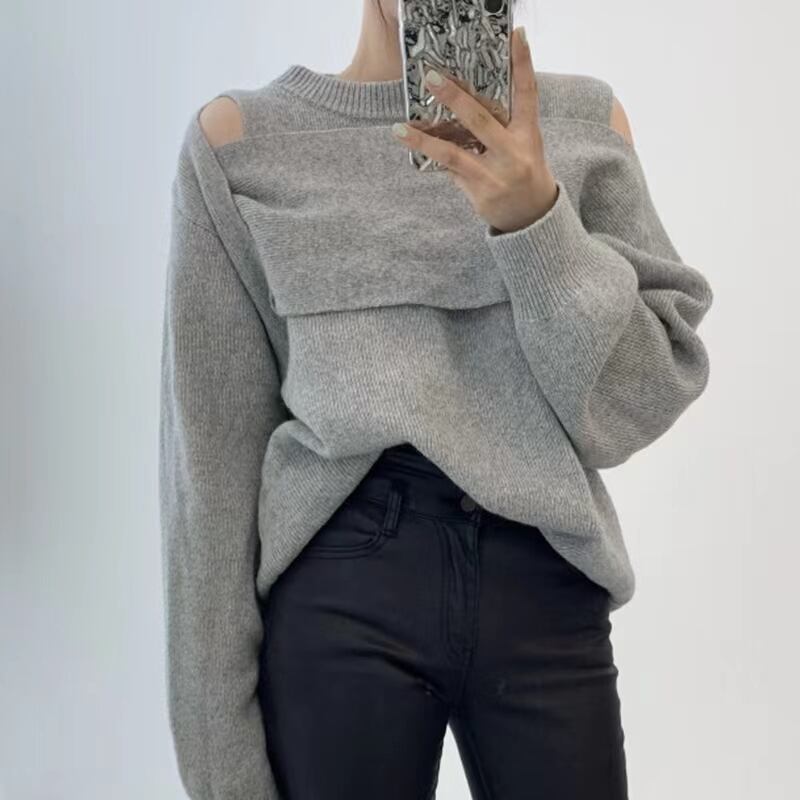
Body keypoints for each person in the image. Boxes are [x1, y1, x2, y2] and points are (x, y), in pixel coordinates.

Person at [158, 1, 713, 798]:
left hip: (544, 573)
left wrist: (536, 222)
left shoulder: (585, 124)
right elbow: (209, 480)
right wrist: (224, 777)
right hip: (345, 573)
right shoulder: (242, 144)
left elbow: (638, 399)